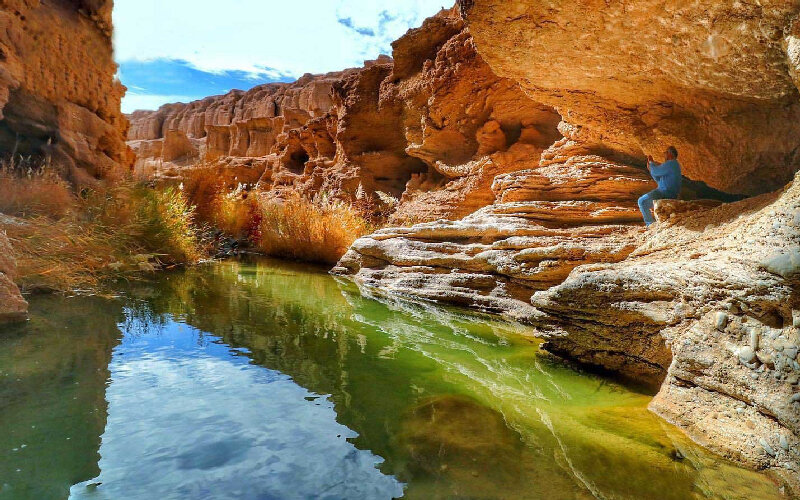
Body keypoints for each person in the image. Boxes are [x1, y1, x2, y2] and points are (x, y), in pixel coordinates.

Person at [638, 146, 682, 226]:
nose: (664, 155)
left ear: (670, 154)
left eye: (665, 153)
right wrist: (651, 169)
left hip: (664, 193)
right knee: (644, 203)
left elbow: (656, 171)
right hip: (670, 193)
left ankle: (650, 225)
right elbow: (658, 179)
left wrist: (651, 163)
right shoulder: (674, 165)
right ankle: (652, 224)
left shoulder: (671, 163)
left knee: (642, 201)